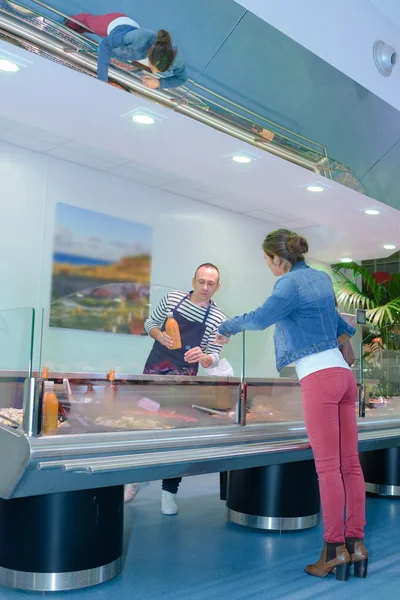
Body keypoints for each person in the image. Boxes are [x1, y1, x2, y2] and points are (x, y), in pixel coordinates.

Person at [214, 229, 368, 582]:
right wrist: (345, 338)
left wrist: (227, 326)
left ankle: (332, 551)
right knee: (350, 466)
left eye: (266, 260)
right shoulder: (320, 277)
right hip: (343, 376)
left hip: (319, 376)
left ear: (277, 259)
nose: (267, 266)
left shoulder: (287, 285)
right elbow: (335, 323)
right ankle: (355, 544)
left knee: (328, 468)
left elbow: (260, 318)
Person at [124, 263, 226, 514]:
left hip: (185, 379)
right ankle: (137, 477)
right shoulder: (172, 299)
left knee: (178, 429)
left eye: (210, 283)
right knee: (144, 420)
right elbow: (150, 324)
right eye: (201, 281)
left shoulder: (220, 319)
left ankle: (169, 491)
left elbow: (215, 355)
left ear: (217, 287)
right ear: (193, 281)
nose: (205, 287)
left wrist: (203, 357)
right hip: (154, 374)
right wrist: (159, 335)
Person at [64, 12, 188, 89]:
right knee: (88, 23)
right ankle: (71, 23)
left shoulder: (176, 59)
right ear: (150, 52)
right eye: (153, 67)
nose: (154, 74)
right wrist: (102, 80)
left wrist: (159, 84)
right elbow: (105, 45)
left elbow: (182, 79)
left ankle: (82, 29)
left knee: (97, 33)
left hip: (123, 47)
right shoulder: (140, 36)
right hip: (117, 24)